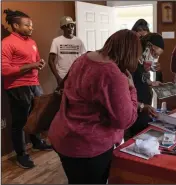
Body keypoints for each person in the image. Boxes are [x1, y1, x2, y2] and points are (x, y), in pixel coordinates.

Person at [48, 29, 141, 184]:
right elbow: (124, 120)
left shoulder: (83, 58)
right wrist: (131, 88)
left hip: (62, 134)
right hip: (89, 145)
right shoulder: (112, 74)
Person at [2, 9, 52, 169]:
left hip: (34, 84)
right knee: (20, 123)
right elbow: (5, 70)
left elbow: (36, 60)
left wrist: (39, 63)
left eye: (31, 25)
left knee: (37, 115)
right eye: (27, 25)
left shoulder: (31, 42)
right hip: (17, 87)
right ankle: (21, 155)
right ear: (16, 25)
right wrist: (32, 65)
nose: (31, 28)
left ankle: (37, 142)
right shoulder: (7, 43)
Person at [129, 33, 164, 137]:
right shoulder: (132, 61)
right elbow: (127, 92)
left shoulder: (142, 61)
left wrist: (151, 83)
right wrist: (142, 106)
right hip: (135, 111)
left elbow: (142, 78)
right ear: (148, 47)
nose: (156, 57)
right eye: (155, 54)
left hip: (144, 110)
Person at [48, 16, 86, 85]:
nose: (71, 28)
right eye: (68, 26)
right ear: (63, 28)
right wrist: (58, 77)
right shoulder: (56, 41)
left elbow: (84, 59)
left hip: (77, 76)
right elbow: (50, 60)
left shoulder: (79, 41)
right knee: (63, 95)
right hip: (62, 76)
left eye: (72, 25)